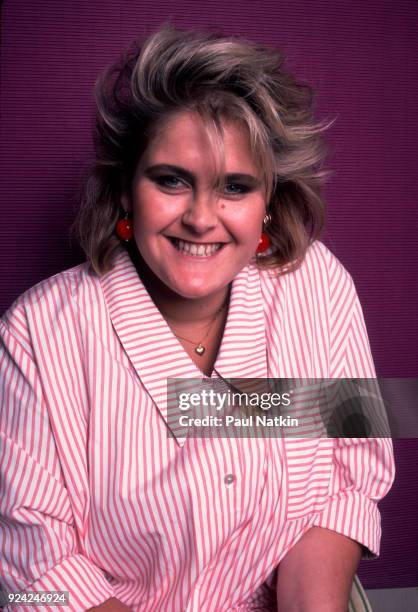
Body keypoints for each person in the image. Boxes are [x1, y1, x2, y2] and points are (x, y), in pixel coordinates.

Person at [0, 27, 395, 611]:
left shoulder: (320, 285)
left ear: (268, 201)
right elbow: (41, 575)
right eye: (172, 181)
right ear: (126, 191)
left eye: (235, 187)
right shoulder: (36, 335)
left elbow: (344, 486)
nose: (202, 218)